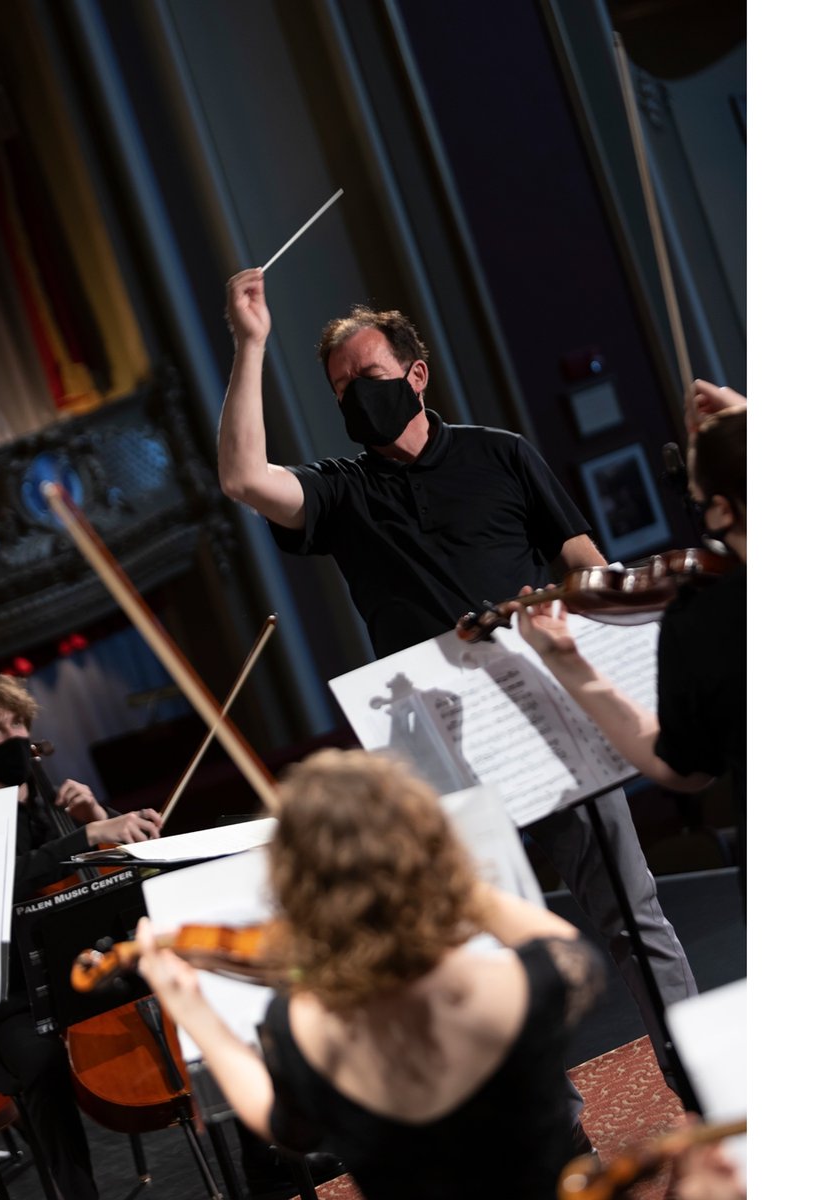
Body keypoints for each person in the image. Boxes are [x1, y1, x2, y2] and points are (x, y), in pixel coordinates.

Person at [217, 267, 698, 1093]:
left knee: (628, 907)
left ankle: (702, 1077)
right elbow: (243, 479)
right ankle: (549, 1126)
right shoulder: (343, 491)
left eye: (367, 379)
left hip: (544, 704)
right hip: (433, 735)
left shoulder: (499, 454)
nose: (354, 398)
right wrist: (249, 344)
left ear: (415, 375)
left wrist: (590, 614)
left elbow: (582, 559)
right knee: (484, 944)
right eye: (340, 389)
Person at [136, 748, 607, 1200]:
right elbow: (566, 947)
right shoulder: (525, 982)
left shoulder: (301, 1029)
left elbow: (278, 1124)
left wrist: (194, 1013)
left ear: (295, 885)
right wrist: (439, 876)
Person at [512, 399, 746, 906]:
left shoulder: (708, 620)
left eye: (702, 500)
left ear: (723, 510)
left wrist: (566, 663)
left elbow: (682, 767)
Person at [0, 675, 162, 1200]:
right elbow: (6, 877)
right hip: (16, 999)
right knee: (41, 1064)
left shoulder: (62, 805)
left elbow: (134, 880)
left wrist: (95, 817)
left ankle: (261, 1152)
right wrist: (85, 837)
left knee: (194, 999)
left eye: (18, 723)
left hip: (93, 970)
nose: (13, 736)